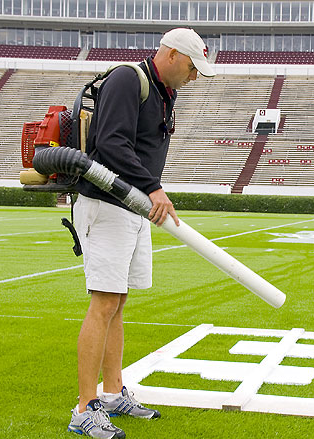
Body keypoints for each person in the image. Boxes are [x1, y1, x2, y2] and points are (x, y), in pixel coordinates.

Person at [67, 28, 215, 439]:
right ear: (170, 54)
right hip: (106, 203)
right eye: (191, 67)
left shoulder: (166, 91)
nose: (194, 76)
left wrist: (146, 193)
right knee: (104, 302)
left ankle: (113, 393)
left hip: (131, 208)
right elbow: (109, 143)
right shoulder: (127, 79)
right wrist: (152, 187)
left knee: (118, 303)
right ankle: (84, 408)